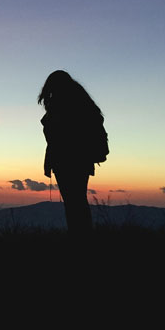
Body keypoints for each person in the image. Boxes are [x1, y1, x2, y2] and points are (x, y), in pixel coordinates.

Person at [37, 70, 108, 234]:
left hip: (66, 160)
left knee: (73, 202)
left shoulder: (61, 105)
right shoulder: (81, 102)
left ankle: (79, 235)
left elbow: (56, 135)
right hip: (81, 159)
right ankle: (82, 234)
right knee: (77, 200)